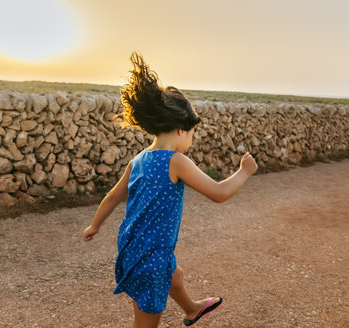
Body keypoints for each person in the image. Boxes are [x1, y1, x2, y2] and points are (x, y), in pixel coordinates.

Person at [82, 52, 258, 328]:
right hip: (151, 257)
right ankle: (185, 309)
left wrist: (94, 225)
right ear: (179, 130)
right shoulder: (177, 161)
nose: (190, 139)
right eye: (191, 134)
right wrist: (244, 171)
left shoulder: (139, 160)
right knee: (146, 320)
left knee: (175, 274)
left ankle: (192, 309)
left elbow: (113, 196)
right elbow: (219, 193)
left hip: (132, 247)